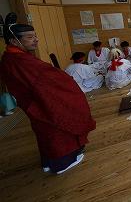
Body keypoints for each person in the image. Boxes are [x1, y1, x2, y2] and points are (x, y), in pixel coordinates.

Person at [0, 23, 96, 174]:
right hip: (39, 100)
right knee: (55, 129)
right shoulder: (19, 61)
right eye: (30, 37)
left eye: (35, 36)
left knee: (43, 131)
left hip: (31, 101)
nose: (36, 40)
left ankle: (48, 162)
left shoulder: (10, 58)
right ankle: (62, 163)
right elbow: (44, 78)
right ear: (14, 41)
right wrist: (65, 82)